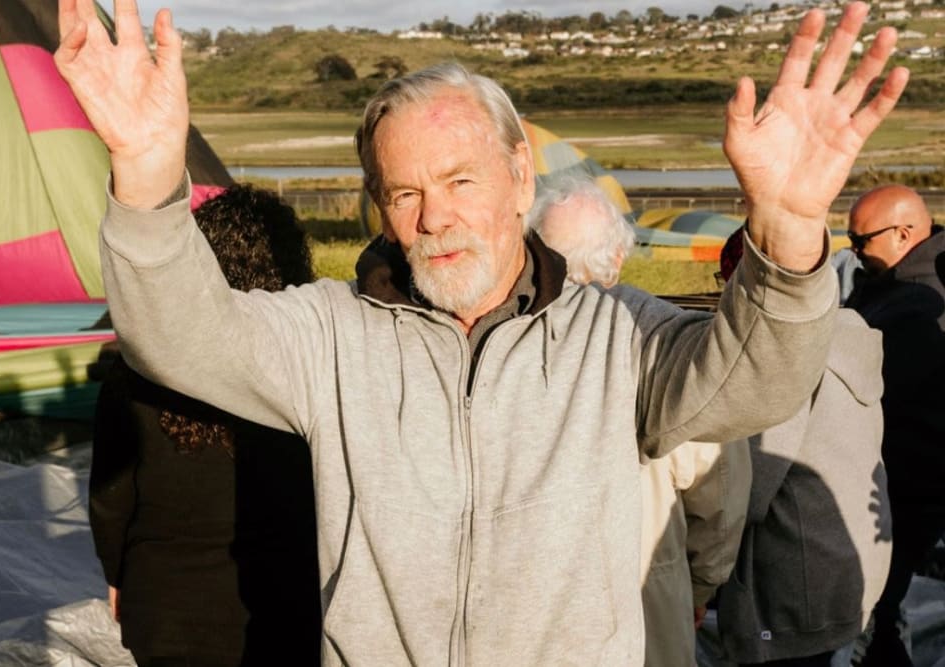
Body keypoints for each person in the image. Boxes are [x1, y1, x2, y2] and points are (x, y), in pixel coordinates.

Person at [56, 1, 907, 662]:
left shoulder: (619, 336)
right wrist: (147, 180)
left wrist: (790, 234)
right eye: (405, 193)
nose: (436, 217)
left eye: (460, 178)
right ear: (381, 210)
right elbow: (181, 337)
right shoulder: (334, 335)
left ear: (517, 175)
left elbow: (758, 378)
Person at [89, 184, 321, 666]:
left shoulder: (135, 371)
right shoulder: (310, 366)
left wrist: (117, 573)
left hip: (162, 614)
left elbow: (110, 501)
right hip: (282, 613)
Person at [530, 173, 752, 667]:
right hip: (645, 597)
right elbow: (722, 494)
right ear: (616, 259)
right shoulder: (660, 345)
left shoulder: (498, 338)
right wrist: (697, 586)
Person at [713, 230, 892, 667]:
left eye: (725, 282)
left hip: (798, 585)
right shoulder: (849, 332)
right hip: (852, 562)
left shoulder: (780, 353)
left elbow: (746, 493)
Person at [844, 185, 945, 667]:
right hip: (892, 488)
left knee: (879, 614)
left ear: (903, 234)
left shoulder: (920, 304)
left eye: (860, 241)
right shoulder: (891, 285)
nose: (853, 252)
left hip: (905, 492)